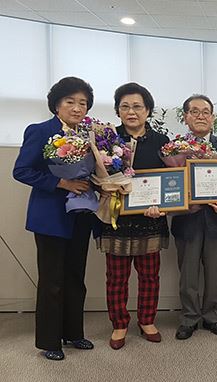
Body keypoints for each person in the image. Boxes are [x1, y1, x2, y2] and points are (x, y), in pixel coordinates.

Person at [13, 76, 97, 361]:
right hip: (50, 216)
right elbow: (22, 170)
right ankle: (50, 341)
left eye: (82, 103)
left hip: (81, 216)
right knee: (52, 279)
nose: (77, 108)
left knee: (76, 276)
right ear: (56, 105)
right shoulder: (40, 131)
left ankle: (73, 333)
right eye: (70, 102)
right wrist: (62, 183)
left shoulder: (89, 136)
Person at [97, 82, 169, 350]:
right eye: (125, 106)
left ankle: (147, 321)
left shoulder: (162, 142)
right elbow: (97, 177)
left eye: (137, 106)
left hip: (151, 218)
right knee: (116, 277)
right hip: (116, 218)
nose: (131, 111)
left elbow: (171, 183)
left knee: (150, 275)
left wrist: (163, 206)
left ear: (147, 110)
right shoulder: (106, 140)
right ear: (118, 111)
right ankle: (119, 324)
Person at [172, 95, 217, 340]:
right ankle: (189, 318)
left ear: (213, 118)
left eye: (206, 111)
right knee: (188, 273)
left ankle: (212, 317)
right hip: (187, 220)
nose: (200, 116)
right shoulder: (174, 148)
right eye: (194, 111)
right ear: (186, 117)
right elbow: (171, 186)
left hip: (216, 219)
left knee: (215, 272)